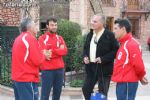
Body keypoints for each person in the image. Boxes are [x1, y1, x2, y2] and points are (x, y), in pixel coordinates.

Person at [12, 18, 50, 100]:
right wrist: (44, 55)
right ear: (30, 28)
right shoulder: (30, 39)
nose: (37, 28)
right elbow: (38, 61)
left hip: (18, 79)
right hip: (27, 80)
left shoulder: (18, 38)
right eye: (35, 25)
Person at [82, 14, 119, 100]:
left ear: (102, 23)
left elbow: (115, 51)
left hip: (104, 69)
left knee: (102, 92)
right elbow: (85, 49)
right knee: (86, 89)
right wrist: (85, 57)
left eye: (95, 21)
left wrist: (103, 59)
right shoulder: (90, 34)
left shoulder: (109, 35)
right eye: (92, 21)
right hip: (91, 67)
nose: (92, 23)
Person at [112, 18, 148, 100]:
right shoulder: (123, 44)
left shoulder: (132, 44)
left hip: (128, 83)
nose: (113, 31)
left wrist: (141, 77)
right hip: (122, 82)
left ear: (123, 29)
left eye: (116, 28)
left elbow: (138, 65)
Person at [39, 17, 68, 100]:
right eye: (52, 25)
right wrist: (59, 50)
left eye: (55, 25)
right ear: (47, 26)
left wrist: (51, 50)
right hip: (47, 70)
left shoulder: (60, 38)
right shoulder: (42, 38)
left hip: (59, 70)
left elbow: (65, 51)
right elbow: (45, 54)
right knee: (45, 94)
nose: (54, 27)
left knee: (57, 94)